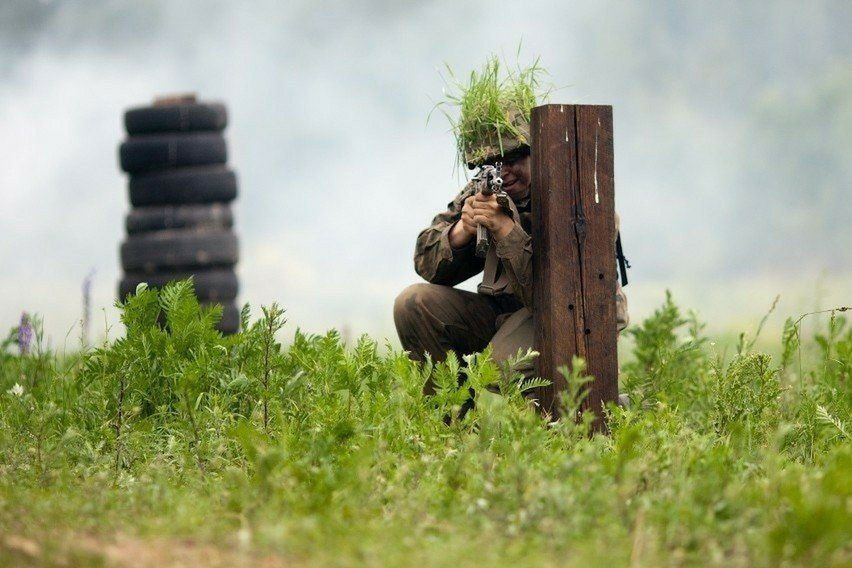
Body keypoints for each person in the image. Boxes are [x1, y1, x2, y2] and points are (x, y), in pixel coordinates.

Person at [394, 69, 629, 397]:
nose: (504, 171)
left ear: (536, 150)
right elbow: (426, 263)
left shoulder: (573, 197)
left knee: (502, 365)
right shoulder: (481, 193)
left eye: (514, 158)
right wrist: (463, 230)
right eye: (491, 163)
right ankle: (450, 433)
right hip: (506, 311)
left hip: (577, 317)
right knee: (413, 303)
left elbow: (563, 297)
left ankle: (576, 421)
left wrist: (506, 229)